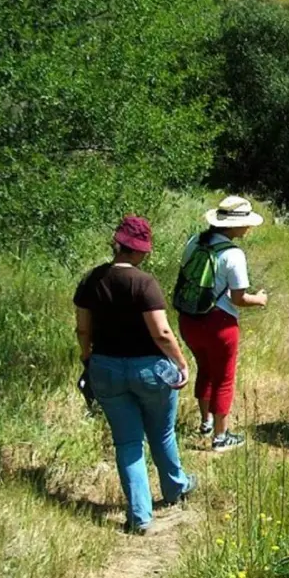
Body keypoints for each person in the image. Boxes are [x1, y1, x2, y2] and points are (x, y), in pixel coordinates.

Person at [74, 216, 196, 534]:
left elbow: (83, 329)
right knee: (163, 433)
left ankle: (140, 516)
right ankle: (175, 488)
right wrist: (182, 363)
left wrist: (89, 358)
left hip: (106, 367)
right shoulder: (144, 283)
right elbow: (162, 333)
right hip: (150, 370)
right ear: (140, 251)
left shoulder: (90, 281)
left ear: (117, 244)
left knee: (128, 442)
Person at [176, 196, 267, 452]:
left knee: (204, 369)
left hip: (189, 319)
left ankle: (205, 422)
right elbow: (239, 298)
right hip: (220, 324)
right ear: (233, 226)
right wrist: (259, 299)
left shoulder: (195, 241)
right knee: (224, 378)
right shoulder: (233, 254)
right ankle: (220, 436)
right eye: (246, 223)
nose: (249, 228)